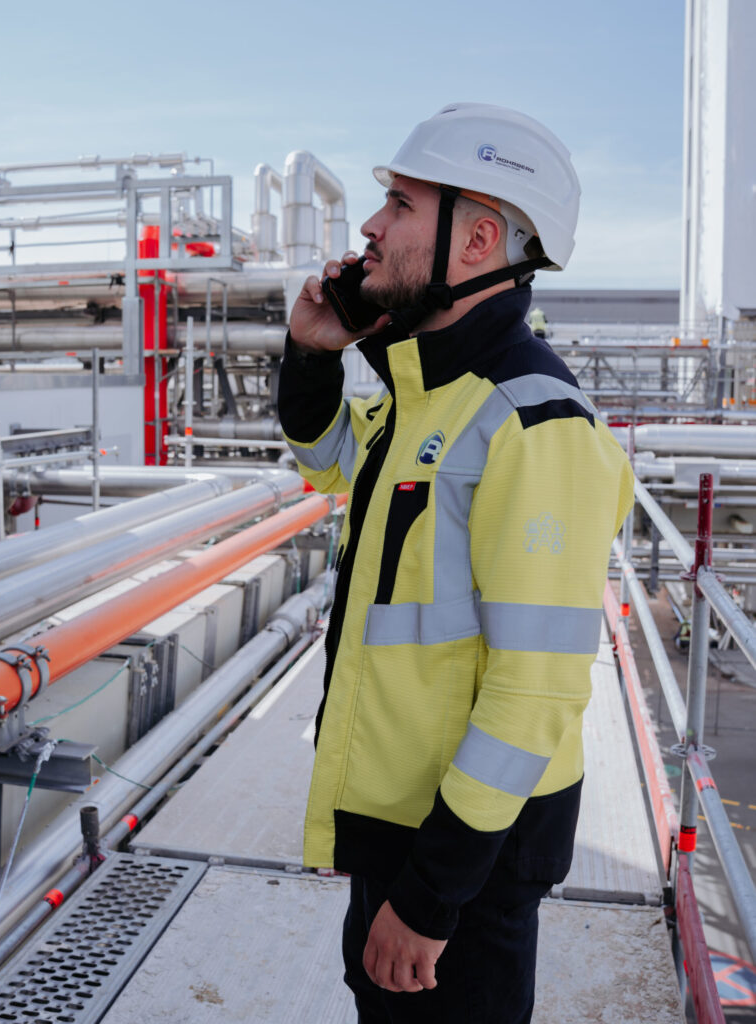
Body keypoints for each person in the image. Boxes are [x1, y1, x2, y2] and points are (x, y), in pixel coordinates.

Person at [278, 103, 634, 1023]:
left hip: (461, 858)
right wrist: (314, 355)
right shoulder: (427, 397)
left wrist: (431, 900)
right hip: (401, 826)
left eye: (398, 202)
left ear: (476, 240)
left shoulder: (532, 424)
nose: (368, 227)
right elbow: (330, 467)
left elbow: (534, 693)